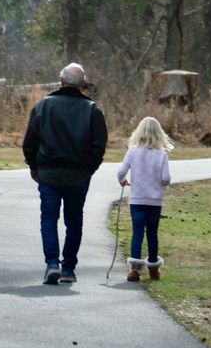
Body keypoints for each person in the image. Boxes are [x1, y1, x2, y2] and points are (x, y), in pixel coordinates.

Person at [21, 63, 107, 285]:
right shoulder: (92, 109)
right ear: (82, 83)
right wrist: (90, 168)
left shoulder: (43, 106)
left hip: (49, 172)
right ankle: (68, 267)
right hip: (78, 174)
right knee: (74, 220)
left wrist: (33, 166)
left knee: (49, 218)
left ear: (61, 80)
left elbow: (29, 142)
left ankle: (52, 263)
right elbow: (99, 145)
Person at [116, 116, 173, 282]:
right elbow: (166, 179)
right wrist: (160, 182)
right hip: (154, 201)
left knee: (137, 232)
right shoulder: (161, 155)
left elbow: (121, 172)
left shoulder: (133, 152)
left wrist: (122, 180)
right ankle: (153, 270)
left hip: (137, 199)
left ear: (139, 132)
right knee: (152, 234)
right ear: (159, 134)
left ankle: (134, 270)